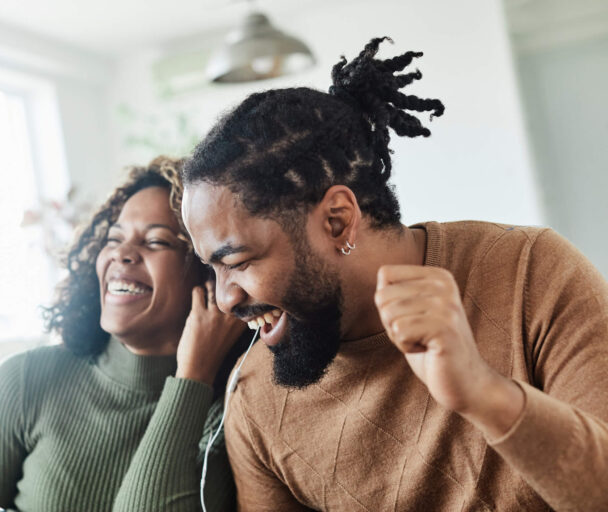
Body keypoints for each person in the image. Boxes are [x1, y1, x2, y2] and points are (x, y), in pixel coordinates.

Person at [180, 37, 608, 511]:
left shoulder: (531, 272)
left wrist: (484, 393)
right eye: (212, 268)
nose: (224, 299)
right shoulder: (258, 398)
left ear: (337, 220)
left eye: (238, 262)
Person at [0, 157, 246, 512]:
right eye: (114, 239)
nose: (122, 254)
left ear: (208, 274)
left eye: (156, 242)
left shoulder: (228, 414)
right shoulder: (24, 380)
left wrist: (191, 380)